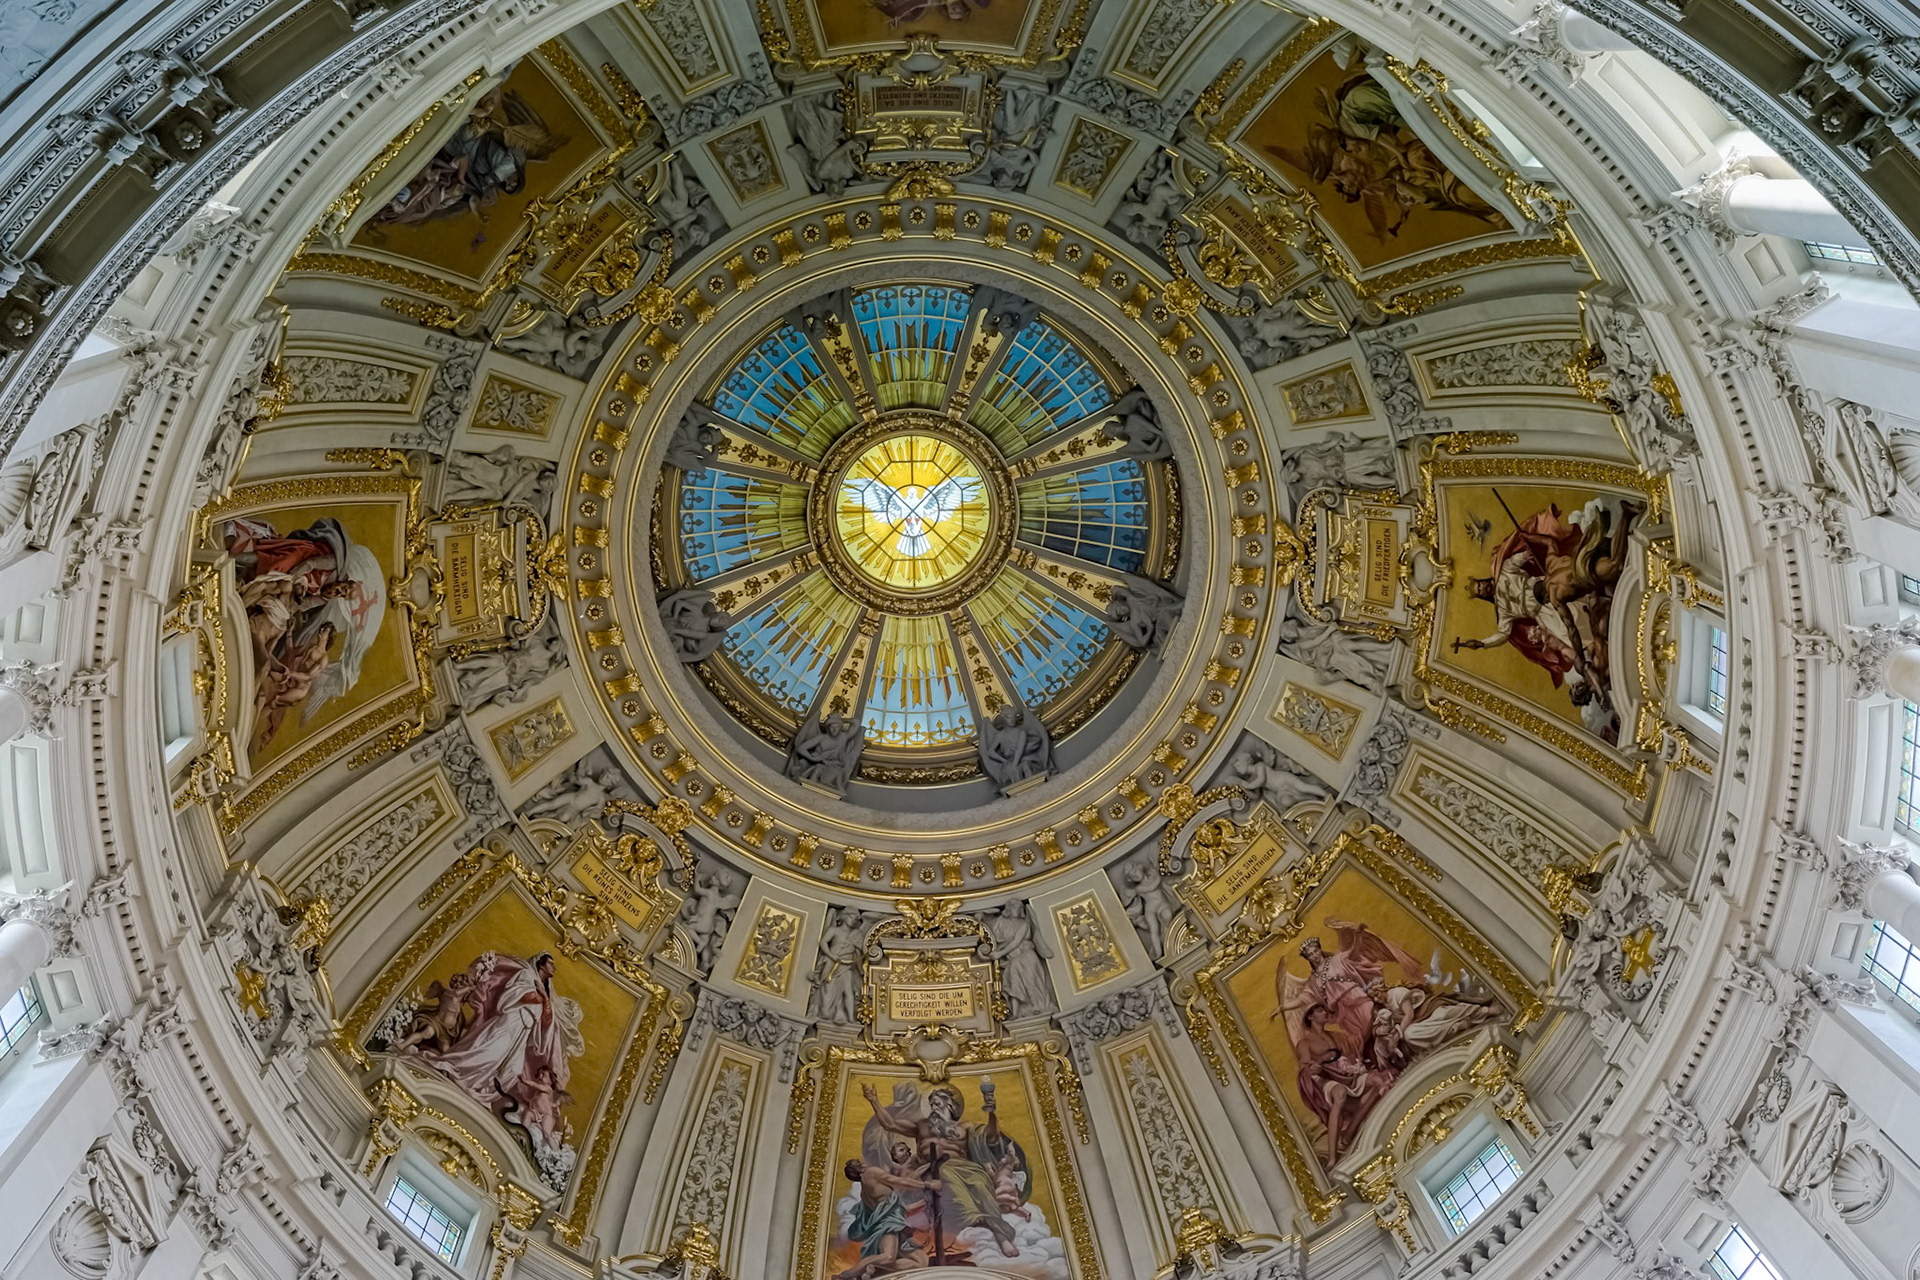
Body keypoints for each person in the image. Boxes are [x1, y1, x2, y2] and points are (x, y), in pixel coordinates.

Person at [837, 1151, 940, 1280]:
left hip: (895, 1224)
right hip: (888, 1225)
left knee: (921, 1262)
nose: (864, 1164)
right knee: (888, 1256)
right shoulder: (871, 1173)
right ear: (861, 1168)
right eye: (861, 1163)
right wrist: (928, 1185)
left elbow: (894, 1201)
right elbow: (898, 1182)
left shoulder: (866, 1192)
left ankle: (877, 1270)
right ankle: (846, 1275)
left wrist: (925, 1170)